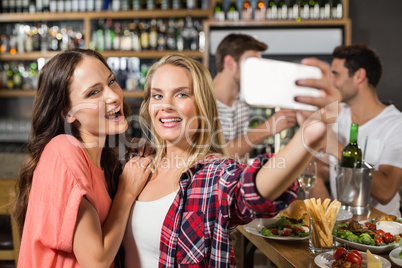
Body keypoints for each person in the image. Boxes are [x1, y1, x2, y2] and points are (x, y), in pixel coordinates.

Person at [122, 53, 341, 267]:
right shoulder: (136, 166)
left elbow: (255, 188)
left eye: (181, 94)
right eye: (158, 95)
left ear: (202, 106)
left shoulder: (215, 175)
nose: (166, 105)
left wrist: (309, 136)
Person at [14, 49, 154, 267]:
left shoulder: (102, 161)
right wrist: (126, 191)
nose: (114, 96)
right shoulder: (62, 149)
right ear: (67, 112)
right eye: (94, 93)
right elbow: (96, 261)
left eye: (111, 81)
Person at [309, 44, 402, 216]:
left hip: (381, 233)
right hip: (343, 229)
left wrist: (337, 149)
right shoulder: (336, 115)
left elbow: (386, 192)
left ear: (359, 76)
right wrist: (327, 220)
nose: (332, 82)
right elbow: (317, 170)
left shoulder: (396, 125)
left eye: (336, 74)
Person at [212, 33, 297, 160]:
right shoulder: (203, 101)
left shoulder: (240, 100)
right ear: (229, 62)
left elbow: (242, 154)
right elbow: (216, 157)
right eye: (252, 64)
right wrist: (268, 127)